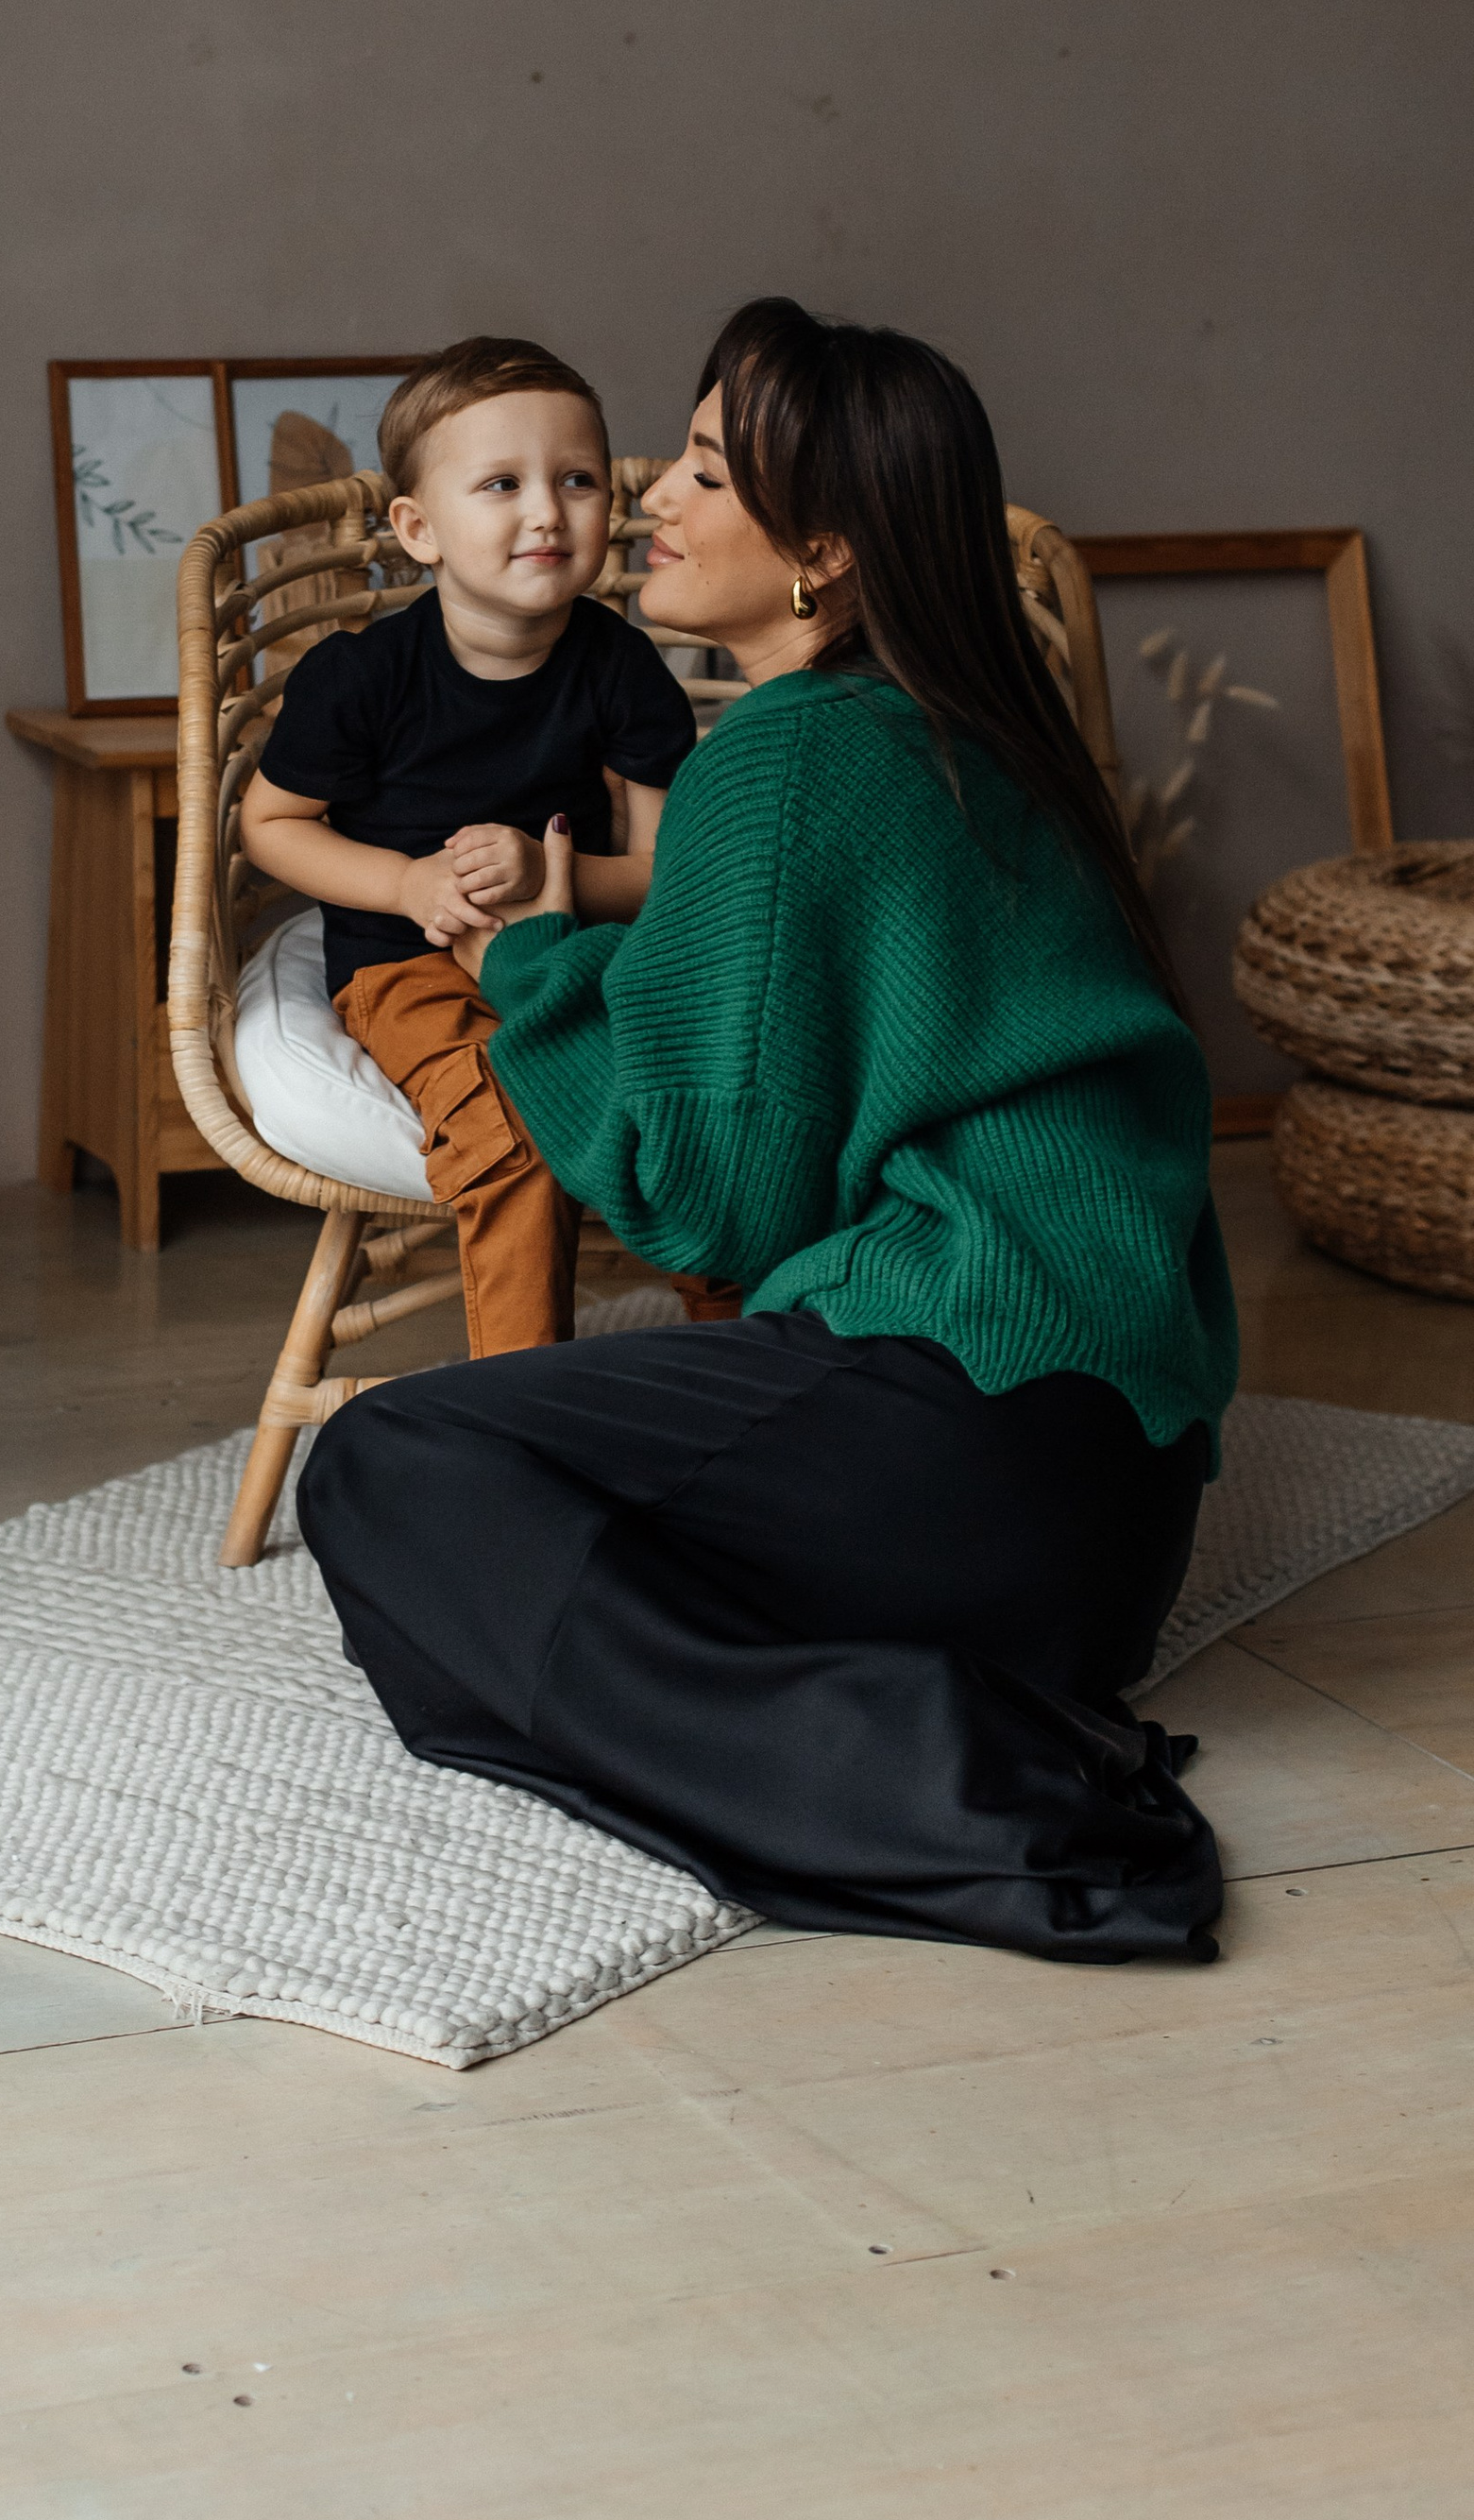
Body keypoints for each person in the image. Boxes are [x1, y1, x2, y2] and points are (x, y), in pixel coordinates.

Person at [297, 297, 1236, 1966]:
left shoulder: (789, 754)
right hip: (1118, 1515)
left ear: (822, 555)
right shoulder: (987, 734)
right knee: (545, 1519)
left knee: (387, 1464)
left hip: (964, 1430)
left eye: (710, 473)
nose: (653, 494)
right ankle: (891, 1700)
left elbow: (701, 1194)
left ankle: (923, 1776)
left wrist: (516, 962)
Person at [243, 337, 698, 1355]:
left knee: (687, 1100)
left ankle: (755, 1357)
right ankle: (524, 1413)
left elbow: (668, 876)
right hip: (406, 966)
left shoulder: (620, 667)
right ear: (419, 529)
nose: (547, 511)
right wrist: (406, 882)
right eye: (501, 484)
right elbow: (269, 824)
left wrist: (551, 875)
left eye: (576, 480)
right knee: (511, 1136)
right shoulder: (360, 678)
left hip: (578, 956)